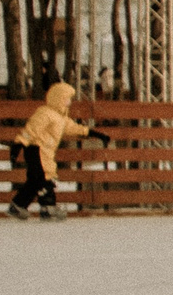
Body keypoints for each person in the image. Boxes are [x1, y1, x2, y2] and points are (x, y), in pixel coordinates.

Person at [9, 82, 106, 219]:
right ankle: (48, 207)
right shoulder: (45, 113)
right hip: (36, 149)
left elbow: (74, 128)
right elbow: (32, 129)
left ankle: (18, 205)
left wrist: (95, 134)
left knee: (36, 180)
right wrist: (19, 144)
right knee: (44, 179)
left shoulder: (61, 118)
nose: (69, 102)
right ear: (59, 98)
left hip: (45, 152)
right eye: (67, 98)